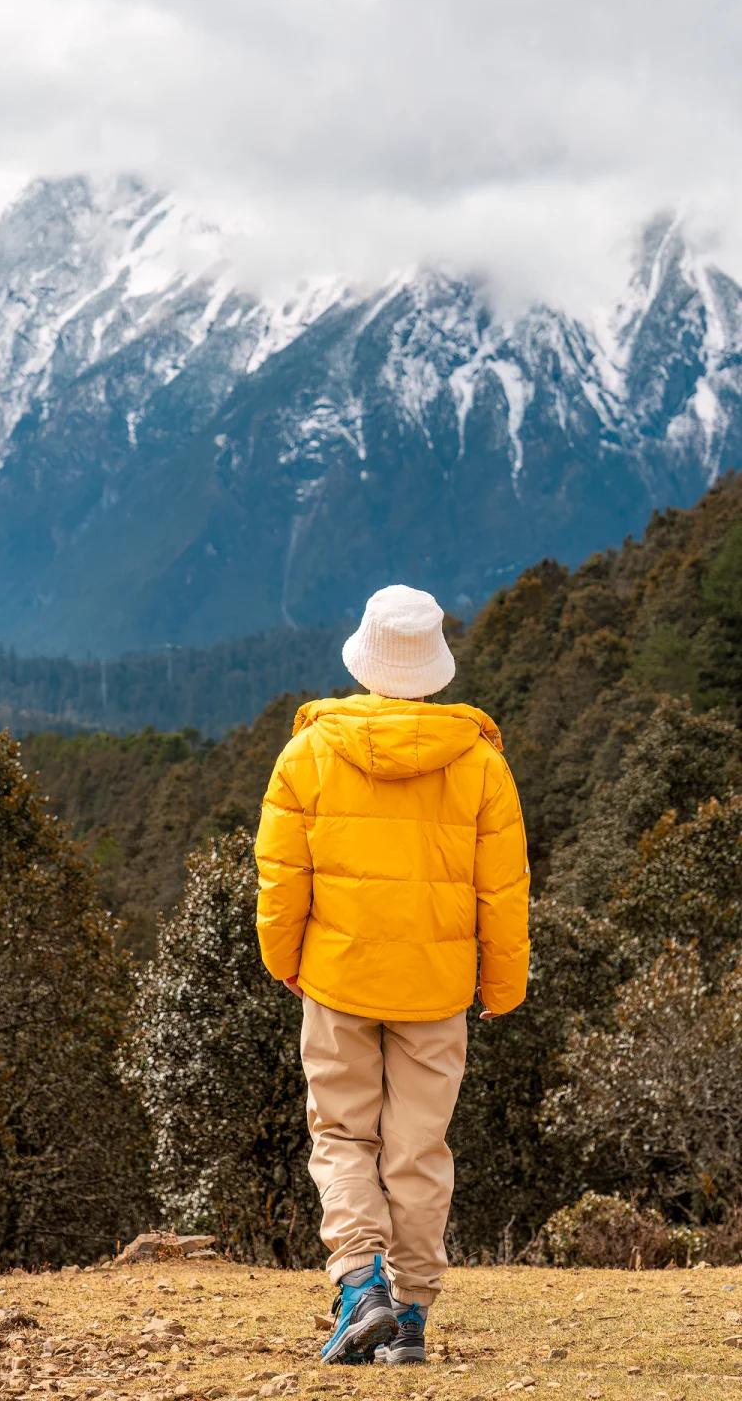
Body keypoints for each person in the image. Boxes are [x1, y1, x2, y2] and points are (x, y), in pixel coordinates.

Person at [254, 585, 530, 1367]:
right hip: (438, 987)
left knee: (342, 1133)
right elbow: (504, 892)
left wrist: (284, 962)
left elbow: (281, 877)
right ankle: (408, 1318)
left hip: (337, 978)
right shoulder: (480, 765)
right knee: (418, 1145)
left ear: (365, 661)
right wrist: (502, 986)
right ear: (437, 669)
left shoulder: (308, 752)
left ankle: (359, 1287)